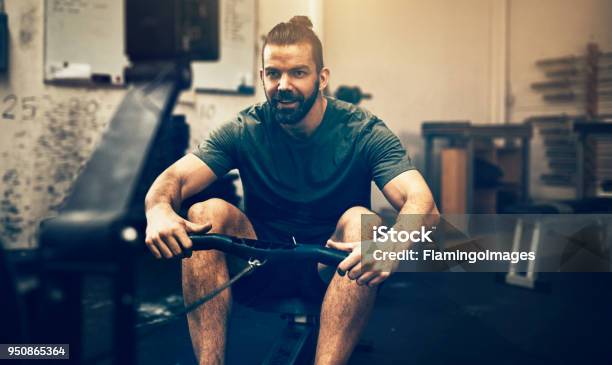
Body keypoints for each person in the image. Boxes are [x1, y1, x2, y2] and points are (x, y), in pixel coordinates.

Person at [144, 16, 438, 365]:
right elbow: (173, 179)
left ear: (322, 78)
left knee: (364, 222)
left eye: (298, 73)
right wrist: (157, 210)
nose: (283, 85)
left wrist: (392, 243)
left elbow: (423, 205)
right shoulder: (245, 128)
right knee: (204, 212)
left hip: (332, 269)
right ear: (262, 77)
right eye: (273, 74)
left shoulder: (363, 131)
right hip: (260, 265)